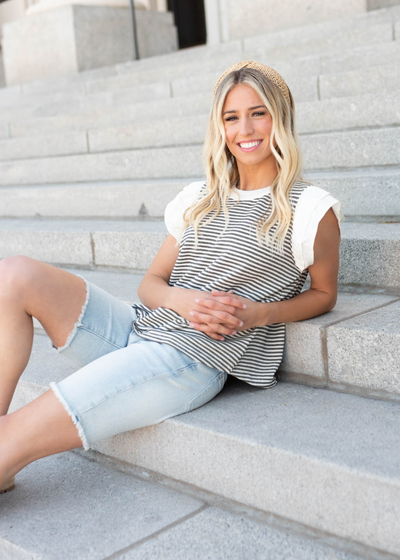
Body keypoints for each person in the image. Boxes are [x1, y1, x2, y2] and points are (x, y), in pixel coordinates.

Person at [0, 61, 342, 495]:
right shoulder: (200, 198)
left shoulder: (309, 208)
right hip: (140, 327)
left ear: (280, 117)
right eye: (231, 117)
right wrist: (183, 301)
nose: (245, 129)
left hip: (192, 358)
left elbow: (324, 293)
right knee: (13, 274)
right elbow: (150, 284)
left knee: (10, 442)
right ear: (220, 128)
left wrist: (259, 315)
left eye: (259, 112)